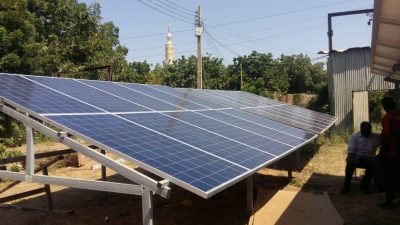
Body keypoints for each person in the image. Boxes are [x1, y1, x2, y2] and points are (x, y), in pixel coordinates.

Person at [341, 121, 380, 193]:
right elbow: (351, 151)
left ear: (371, 129)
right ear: (361, 129)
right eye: (365, 129)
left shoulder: (376, 137)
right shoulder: (355, 136)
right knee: (350, 162)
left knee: (374, 163)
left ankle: (364, 186)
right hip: (357, 158)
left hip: (369, 159)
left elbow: (386, 142)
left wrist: (379, 155)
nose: (367, 130)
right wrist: (353, 158)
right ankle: (346, 185)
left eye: (369, 129)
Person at [377, 97, 400, 208]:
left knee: (389, 176)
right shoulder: (399, 114)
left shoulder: (388, 118)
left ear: (385, 106)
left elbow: (387, 137)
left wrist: (382, 154)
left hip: (393, 153)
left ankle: (389, 200)